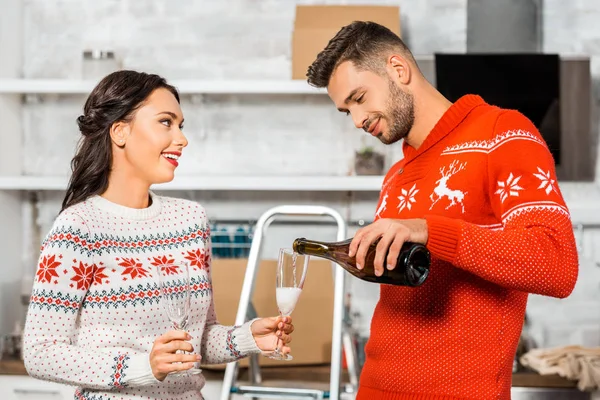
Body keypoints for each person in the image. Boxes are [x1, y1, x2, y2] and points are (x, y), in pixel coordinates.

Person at [307, 21, 578, 399]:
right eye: (345, 110)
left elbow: (556, 264)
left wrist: (431, 231)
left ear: (398, 70)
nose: (356, 119)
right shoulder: (396, 175)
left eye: (359, 97)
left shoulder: (502, 134)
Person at [22, 70, 294, 400]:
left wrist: (249, 338)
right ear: (120, 131)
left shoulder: (190, 221)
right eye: (166, 122)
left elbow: (197, 340)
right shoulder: (79, 229)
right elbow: (40, 352)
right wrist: (143, 367)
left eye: (181, 125)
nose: (181, 139)